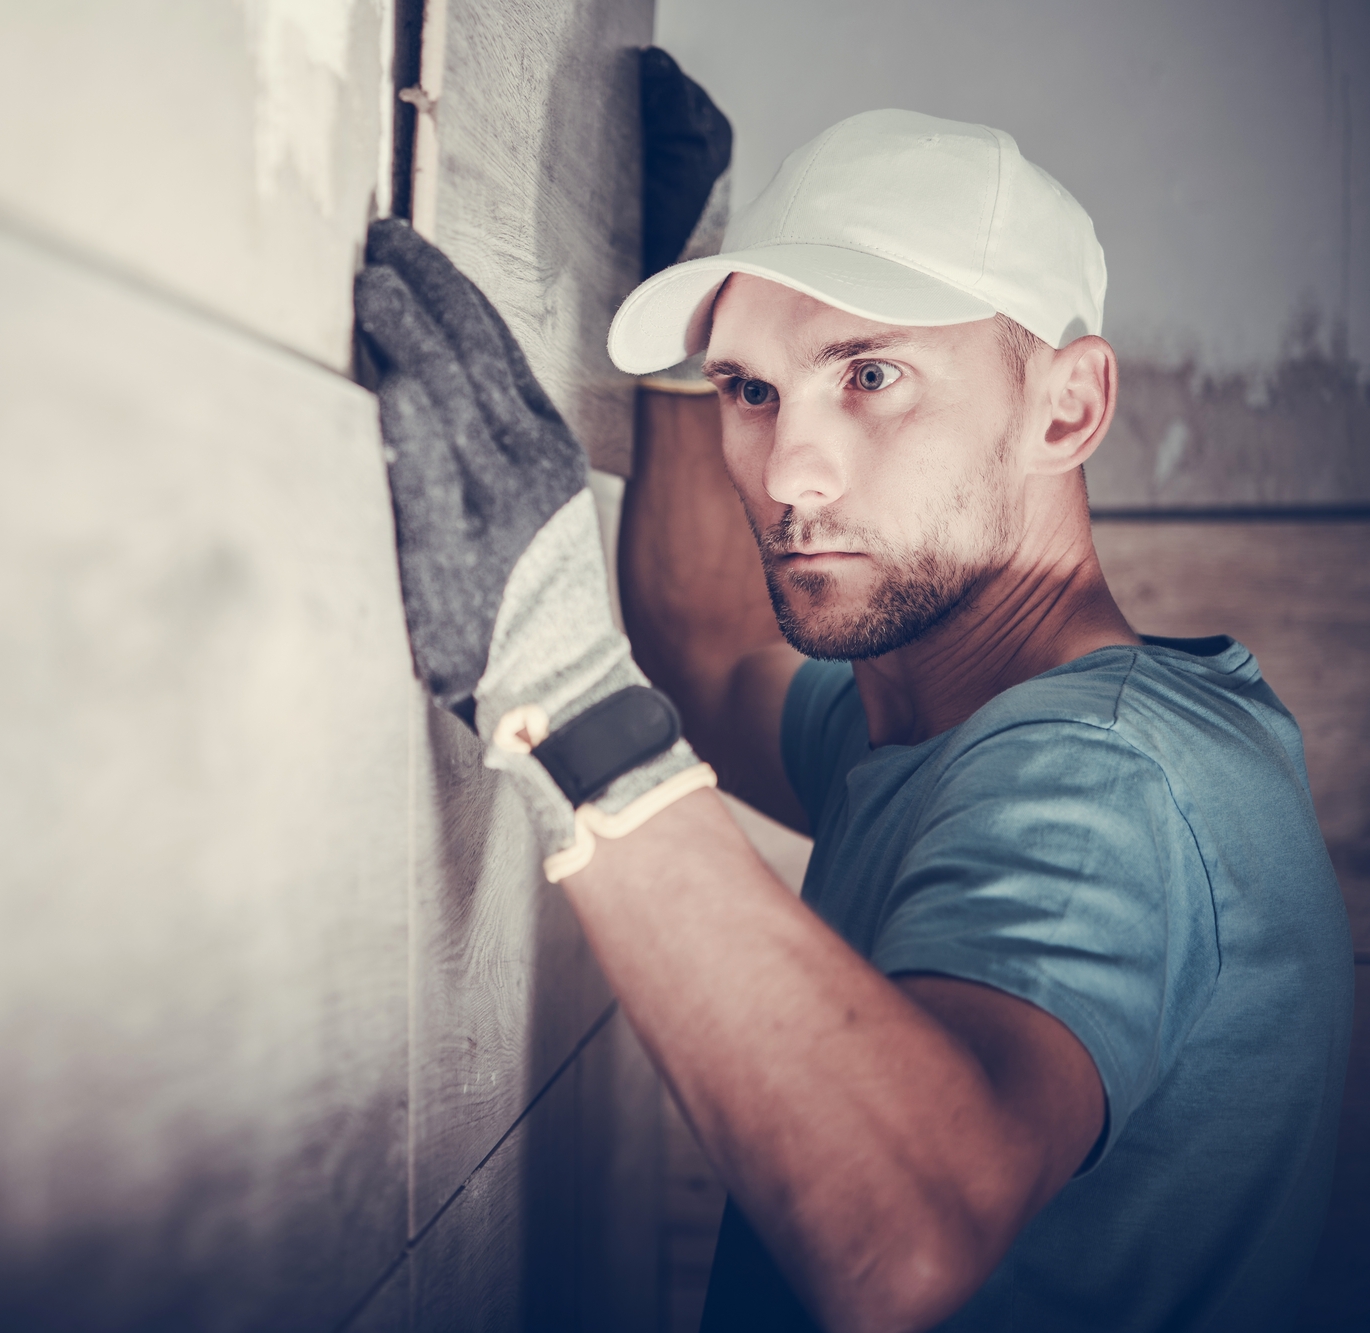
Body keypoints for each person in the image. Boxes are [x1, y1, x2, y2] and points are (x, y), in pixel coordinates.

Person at [353, 109, 1353, 1333]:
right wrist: (685, 312)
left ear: (1064, 409)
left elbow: (902, 1237)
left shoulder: (1101, 773)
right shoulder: (930, 719)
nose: (788, 471)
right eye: (749, 389)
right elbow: (706, 659)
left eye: (868, 377)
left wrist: (561, 691)